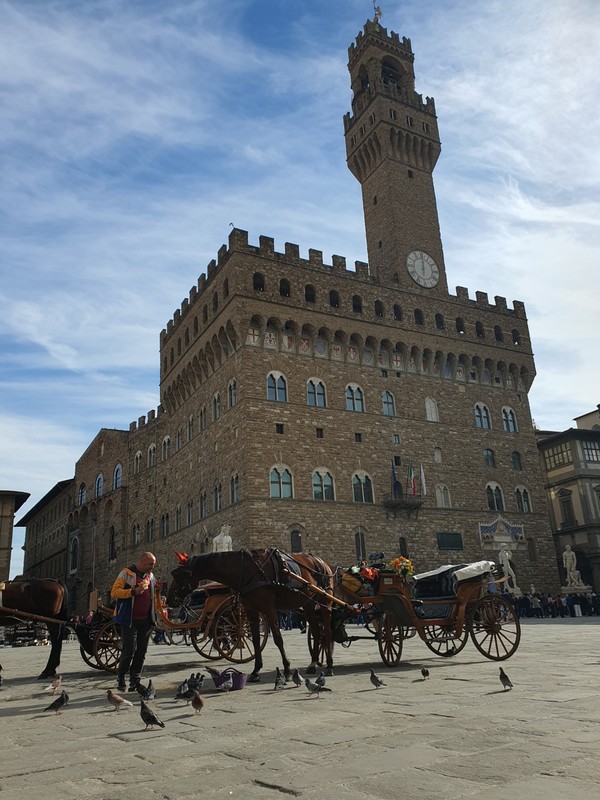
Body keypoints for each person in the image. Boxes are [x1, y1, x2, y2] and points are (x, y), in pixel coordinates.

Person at [111, 551, 157, 692]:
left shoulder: (151, 576)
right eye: (150, 564)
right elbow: (114, 592)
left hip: (146, 620)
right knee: (128, 651)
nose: (152, 567)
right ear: (141, 562)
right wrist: (132, 592)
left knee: (141, 651)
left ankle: (135, 680)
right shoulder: (126, 573)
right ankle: (121, 678)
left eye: (153, 564)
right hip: (129, 619)